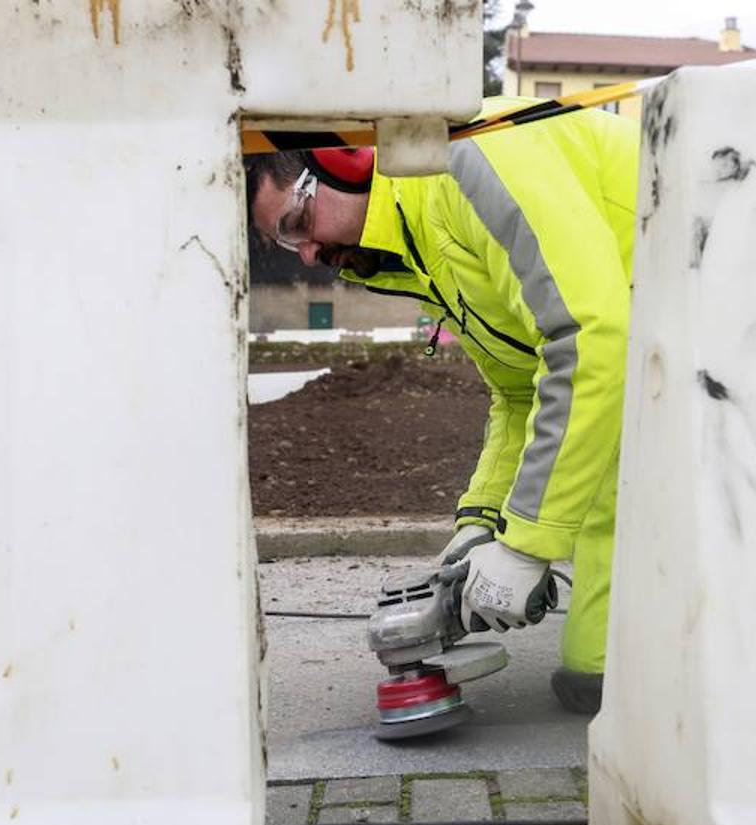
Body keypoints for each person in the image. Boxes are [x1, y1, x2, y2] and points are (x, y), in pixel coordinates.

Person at [244, 99, 638, 716]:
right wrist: (480, 524)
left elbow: (592, 340)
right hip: (648, 353)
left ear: (347, 162)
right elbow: (519, 388)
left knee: (618, 486)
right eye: (283, 242)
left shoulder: (476, 164)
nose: (307, 254)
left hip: (730, 306)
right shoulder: (421, 245)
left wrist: (525, 547)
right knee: (595, 675)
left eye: (297, 223)